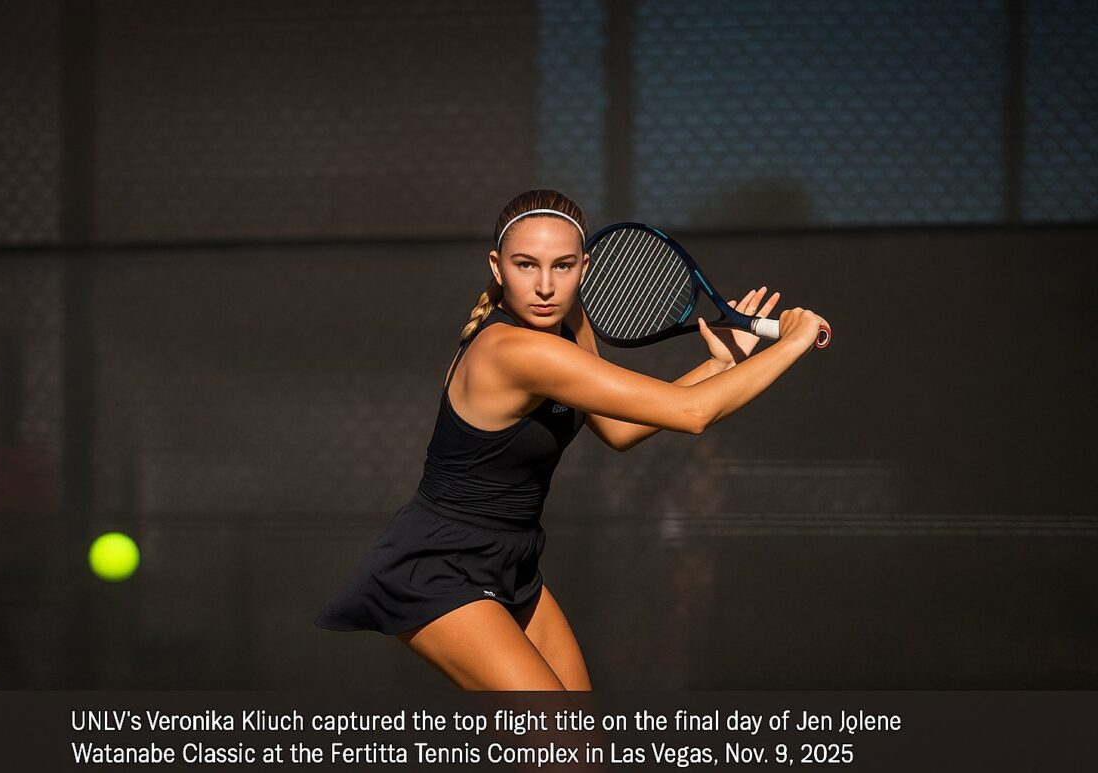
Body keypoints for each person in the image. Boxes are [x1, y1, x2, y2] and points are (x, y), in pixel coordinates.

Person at [314, 189, 827, 691]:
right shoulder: (513, 350)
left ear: (584, 267)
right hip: (436, 565)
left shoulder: (571, 324)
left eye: (562, 266)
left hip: (512, 559)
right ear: (497, 268)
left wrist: (719, 363)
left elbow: (618, 429)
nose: (544, 286)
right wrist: (794, 343)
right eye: (525, 265)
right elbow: (693, 414)